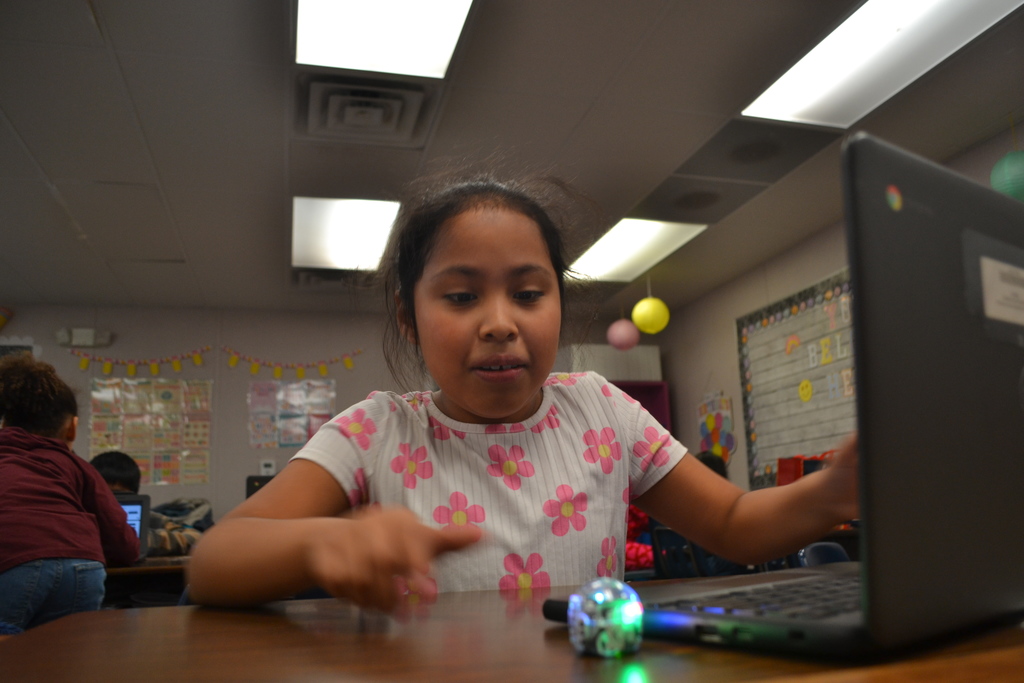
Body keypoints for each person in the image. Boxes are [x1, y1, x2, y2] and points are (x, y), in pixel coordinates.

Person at [188, 174, 858, 612]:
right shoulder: (376, 431)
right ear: (407, 319)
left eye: (530, 292)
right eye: (460, 295)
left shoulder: (603, 410)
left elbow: (734, 525)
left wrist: (830, 493)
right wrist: (314, 545)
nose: (501, 322)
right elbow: (213, 560)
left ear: (559, 305)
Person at [0, 353, 139, 630]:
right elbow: (125, 546)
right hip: (83, 566)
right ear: (72, 428)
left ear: (5, 422)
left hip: (13, 562)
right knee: (66, 658)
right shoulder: (79, 466)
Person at [89, 451, 203, 557]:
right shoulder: (84, 517)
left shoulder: (150, 518)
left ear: (134, 495)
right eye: (104, 496)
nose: (112, 503)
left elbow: (196, 538)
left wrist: (146, 540)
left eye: (118, 495)